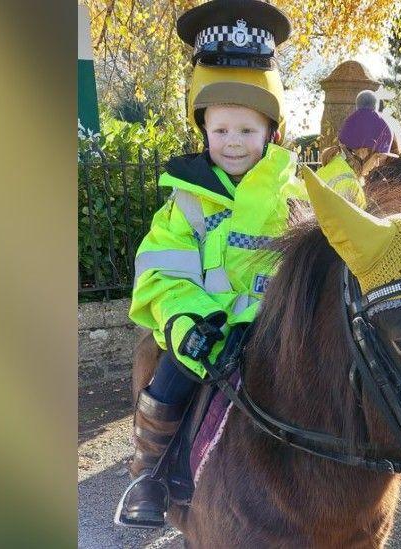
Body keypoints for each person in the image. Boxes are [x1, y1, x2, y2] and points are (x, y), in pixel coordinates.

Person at [116, 0, 301, 528]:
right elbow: (160, 272)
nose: (233, 143)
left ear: (272, 134)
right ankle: (149, 474)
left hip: (279, 335)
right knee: (168, 378)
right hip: (206, 333)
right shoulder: (185, 203)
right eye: (221, 131)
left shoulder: (301, 198)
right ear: (204, 133)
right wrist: (186, 321)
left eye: (247, 130)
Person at [316, 89, 396, 207]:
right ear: (363, 151)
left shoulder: (333, 168)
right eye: (377, 157)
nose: (377, 164)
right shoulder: (349, 184)